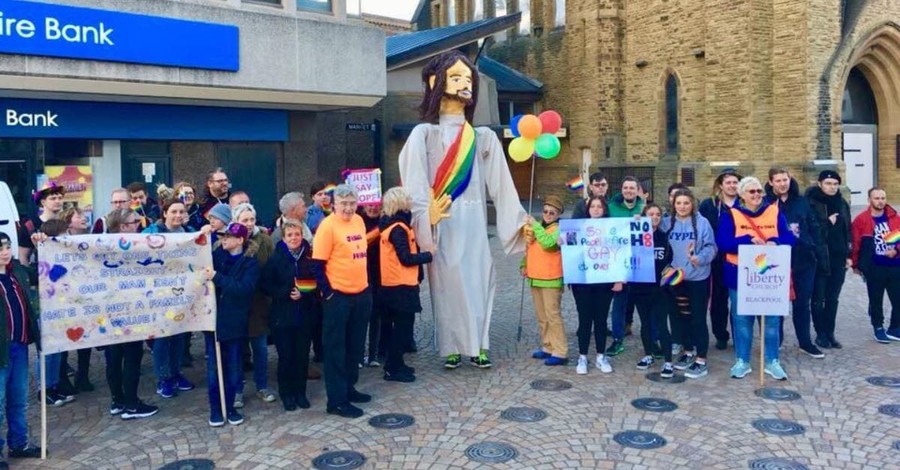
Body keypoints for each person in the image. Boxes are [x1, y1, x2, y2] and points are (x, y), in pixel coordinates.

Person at [398, 50, 529, 369]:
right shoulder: (424, 135)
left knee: (479, 277)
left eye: (468, 78)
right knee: (447, 285)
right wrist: (423, 218)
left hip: (474, 225)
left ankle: (479, 344)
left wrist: (518, 221)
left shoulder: (482, 137)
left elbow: (502, 184)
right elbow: (414, 183)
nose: (465, 83)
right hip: (442, 225)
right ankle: (452, 345)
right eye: (456, 77)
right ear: (435, 82)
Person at [717, 176, 795, 380]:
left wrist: (774, 241)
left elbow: (789, 237)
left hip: (770, 277)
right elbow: (724, 243)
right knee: (741, 320)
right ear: (742, 194)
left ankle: (772, 360)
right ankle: (742, 360)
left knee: (771, 320)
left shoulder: (774, 212)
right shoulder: (731, 215)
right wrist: (747, 241)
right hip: (740, 275)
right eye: (751, 192)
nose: (756, 195)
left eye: (759, 191)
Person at [311, 184, 373, 418]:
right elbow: (317, 265)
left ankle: (349, 388)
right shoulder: (327, 227)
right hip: (338, 297)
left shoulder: (358, 220)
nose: (348, 207)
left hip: (361, 294)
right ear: (334, 204)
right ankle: (336, 400)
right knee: (336, 349)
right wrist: (328, 294)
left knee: (354, 347)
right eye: (343, 203)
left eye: (351, 203)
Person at [103, 208, 159, 420]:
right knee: (131, 356)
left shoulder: (101, 245)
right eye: (135, 221)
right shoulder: (133, 247)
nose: (139, 224)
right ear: (123, 226)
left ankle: (118, 400)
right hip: (129, 310)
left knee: (115, 357)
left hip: (110, 311)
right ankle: (132, 404)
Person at [143, 186, 197, 398]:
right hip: (159, 295)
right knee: (162, 338)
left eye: (181, 212)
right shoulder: (152, 233)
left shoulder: (189, 234)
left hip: (182, 294)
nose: (178, 215)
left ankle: (176, 373)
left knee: (179, 337)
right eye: (173, 211)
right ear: (164, 213)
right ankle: (163, 378)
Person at [765, 167, 825, 358]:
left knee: (802, 303)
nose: (783, 184)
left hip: (803, 259)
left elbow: (814, 227)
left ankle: (805, 342)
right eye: (778, 180)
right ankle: (777, 341)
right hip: (776, 261)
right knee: (777, 303)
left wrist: (814, 248)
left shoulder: (802, 202)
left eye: (785, 180)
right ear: (771, 182)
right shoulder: (766, 204)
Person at [204, 222, 259, 427]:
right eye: (222, 236)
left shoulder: (250, 263)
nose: (223, 239)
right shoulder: (217, 256)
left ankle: (230, 406)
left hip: (235, 321)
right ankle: (216, 408)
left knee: (234, 367)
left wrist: (218, 278)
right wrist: (204, 233)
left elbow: (244, 289)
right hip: (214, 321)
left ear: (240, 240)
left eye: (228, 237)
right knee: (214, 367)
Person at [259, 220, 317, 411]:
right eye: (290, 235)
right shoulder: (276, 259)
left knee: (302, 356)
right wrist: (285, 292)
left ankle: (300, 392)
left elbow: (316, 282)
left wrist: (304, 293)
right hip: (282, 316)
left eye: (297, 234)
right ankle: (287, 394)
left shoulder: (309, 257)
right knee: (286, 357)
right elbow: (266, 286)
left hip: (305, 315)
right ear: (284, 238)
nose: (294, 238)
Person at [378, 187, 434, 382]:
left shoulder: (392, 225)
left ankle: (397, 363)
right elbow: (405, 258)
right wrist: (429, 255)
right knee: (402, 328)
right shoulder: (398, 229)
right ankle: (392, 367)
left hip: (396, 284)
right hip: (400, 285)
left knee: (402, 327)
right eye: (407, 199)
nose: (410, 201)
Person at [660, 189, 717, 379]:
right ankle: (688, 351)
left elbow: (711, 247)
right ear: (673, 204)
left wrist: (699, 258)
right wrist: (638, 220)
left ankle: (701, 359)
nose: (682, 206)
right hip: (676, 278)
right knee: (680, 318)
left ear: (692, 204)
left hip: (697, 278)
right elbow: (650, 233)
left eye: (686, 203)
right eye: (678, 203)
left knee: (698, 319)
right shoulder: (667, 223)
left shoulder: (702, 223)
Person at [0, 232, 43, 466]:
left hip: (20, 345)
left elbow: (41, 274)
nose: (5, 252)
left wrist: (41, 247)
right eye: (0, 248)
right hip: (1, 352)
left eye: (7, 246)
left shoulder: (16, 271)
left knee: (18, 399)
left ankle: (19, 443)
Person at [231, 203, 276, 407]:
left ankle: (261, 386)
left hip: (259, 302)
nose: (248, 224)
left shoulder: (265, 240)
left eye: (251, 220)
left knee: (260, 349)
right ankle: (238, 389)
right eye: (244, 220)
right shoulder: (229, 239)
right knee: (238, 350)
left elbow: (273, 265)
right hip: (237, 304)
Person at [570, 195, 620, 375]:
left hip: (604, 281)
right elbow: (570, 248)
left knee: (600, 320)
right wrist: (563, 241)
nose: (596, 209)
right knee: (584, 320)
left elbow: (619, 252)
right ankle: (582, 357)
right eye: (593, 207)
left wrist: (619, 279)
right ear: (588, 209)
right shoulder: (579, 227)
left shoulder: (613, 228)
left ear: (604, 209)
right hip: (583, 281)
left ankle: (600, 356)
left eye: (599, 206)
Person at [29, 219, 76, 405]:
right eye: (65, 232)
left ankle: (54, 385)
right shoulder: (43, 255)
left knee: (58, 349)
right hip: (45, 310)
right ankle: (44, 389)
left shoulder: (66, 255)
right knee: (47, 352)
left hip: (60, 308)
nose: (68, 236)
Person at [806, 170, 851, 349]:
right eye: (828, 183)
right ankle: (820, 334)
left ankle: (830, 333)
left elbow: (848, 231)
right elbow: (811, 230)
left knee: (833, 298)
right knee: (818, 299)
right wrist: (827, 222)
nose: (832, 187)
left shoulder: (842, 203)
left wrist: (849, 254)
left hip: (838, 258)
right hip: (819, 259)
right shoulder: (811, 202)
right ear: (820, 184)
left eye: (834, 184)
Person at [699, 170, 742, 350]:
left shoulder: (745, 204)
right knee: (718, 299)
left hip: (741, 258)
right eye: (729, 182)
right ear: (721, 185)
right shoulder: (709, 205)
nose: (732, 186)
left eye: (735, 182)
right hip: (717, 259)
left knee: (739, 300)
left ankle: (739, 334)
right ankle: (720, 334)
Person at [850, 187, 900, 343]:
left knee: (898, 299)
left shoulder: (894, 218)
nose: (880, 201)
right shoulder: (862, 220)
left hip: (895, 265)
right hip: (874, 267)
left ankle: (895, 328)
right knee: (876, 299)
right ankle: (878, 327)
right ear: (869, 200)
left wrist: (896, 250)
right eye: (877, 198)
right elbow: (856, 243)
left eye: (883, 198)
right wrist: (856, 264)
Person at [630, 203, 675, 378]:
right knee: (645, 323)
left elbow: (670, 261)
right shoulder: (636, 235)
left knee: (662, 325)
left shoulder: (665, 238)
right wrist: (634, 224)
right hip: (640, 288)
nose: (655, 217)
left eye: (658, 214)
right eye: (651, 214)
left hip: (660, 289)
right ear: (644, 216)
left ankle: (668, 361)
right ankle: (648, 354)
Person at [522, 195, 567, 366]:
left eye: (552, 212)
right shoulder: (539, 226)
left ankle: (560, 350)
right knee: (542, 317)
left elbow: (548, 244)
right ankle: (548, 345)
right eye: (546, 211)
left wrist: (535, 225)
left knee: (553, 316)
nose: (547, 214)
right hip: (535, 277)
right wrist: (523, 263)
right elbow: (529, 247)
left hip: (551, 278)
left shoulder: (558, 229)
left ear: (557, 215)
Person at [605, 177, 645, 357]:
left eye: (632, 188)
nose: (628, 190)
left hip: (641, 262)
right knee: (619, 303)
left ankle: (652, 339)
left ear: (637, 190)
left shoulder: (644, 207)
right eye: (625, 187)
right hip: (618, 261)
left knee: (645, 304)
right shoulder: (612, 208)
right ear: (621, 190)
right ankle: (617, 340)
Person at [59, 207, 96, 393]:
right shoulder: (60, 241)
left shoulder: (90, 238)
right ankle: (62, 378)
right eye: (78, 216)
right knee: (65, 337)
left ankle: (83, 376)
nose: (83, 218)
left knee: (85, 338)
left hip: (85, 294)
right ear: (68, 220)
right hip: (66, 296)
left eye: (83, 215)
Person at [360, 203, 386, 367]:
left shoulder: (385, 221)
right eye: (369, 205)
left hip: (380, 275)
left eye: (376, 205)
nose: (373, 208)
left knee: (376, 317)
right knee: (361, 318)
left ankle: (373, 355)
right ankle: (359, 355)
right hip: (362, 274)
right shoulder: (358, 222)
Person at [16, 181, 65, 265]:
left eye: (60, 198)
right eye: (53, 198)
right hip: (41, 274)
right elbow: (23, 257)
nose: (58, 201)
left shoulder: (67, 223)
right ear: (43, 202)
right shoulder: (29, 226)